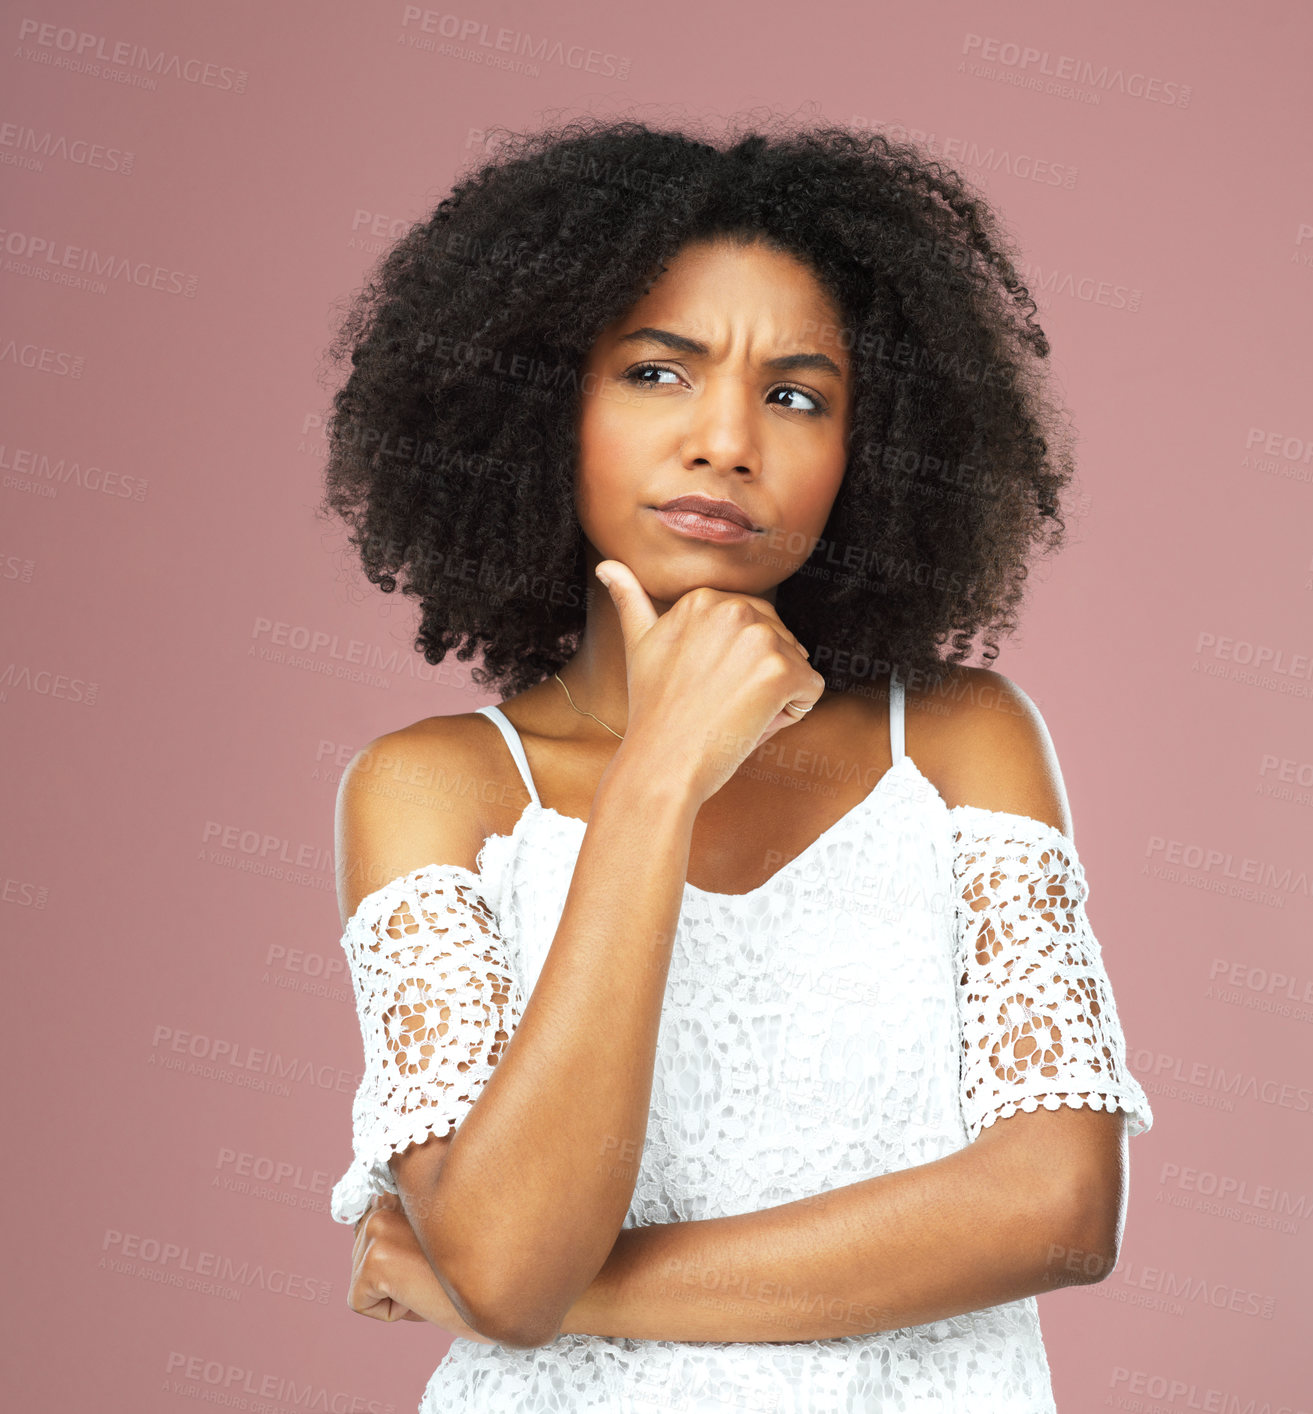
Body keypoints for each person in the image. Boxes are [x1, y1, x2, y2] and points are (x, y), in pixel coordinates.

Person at [318, 117, 1154, 1413]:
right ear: (546, 400)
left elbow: (1054, 1210)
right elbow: (510, 1251)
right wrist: (658, 771)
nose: (726, 440)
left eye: (795, 394)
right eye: (658, 372)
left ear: (863, 453)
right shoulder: (435, 789)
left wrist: (542, 1295)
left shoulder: (953, 740)